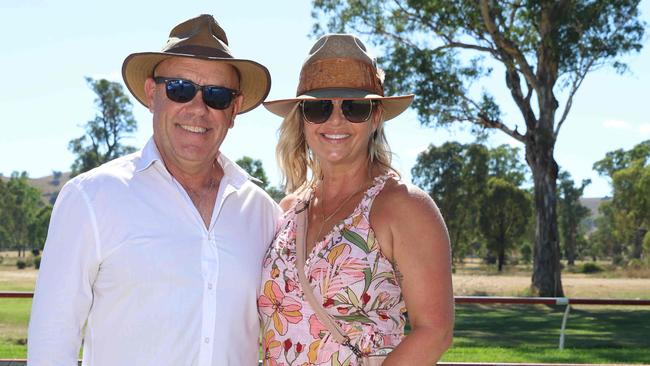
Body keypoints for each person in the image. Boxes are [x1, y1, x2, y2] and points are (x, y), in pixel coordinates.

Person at [27, 14, 280, 366]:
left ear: (234, 109)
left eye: (217, 96)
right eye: (180, 88)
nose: (197, 108)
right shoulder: (91, 199)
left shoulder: (264, 214)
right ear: (151, 93)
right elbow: (51, 346)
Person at [258, 34, 454, 365]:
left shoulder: (403, 207)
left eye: (354, 107)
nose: (335, 120)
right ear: (302, 118)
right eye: (318, 107)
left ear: (375, 116)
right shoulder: (289, 211)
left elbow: (435, 331)